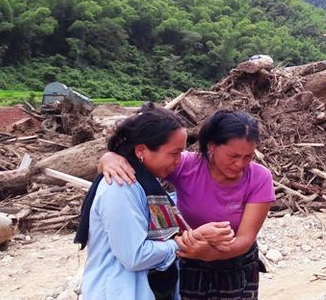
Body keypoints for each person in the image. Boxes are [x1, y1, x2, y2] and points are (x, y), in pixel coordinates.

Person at [100, 110, 275, 300]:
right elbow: (148, 161)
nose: (240, 164)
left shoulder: (259, 178)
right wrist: (109, 157)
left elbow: (245, 239)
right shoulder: (186, 165)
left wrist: (211, 254)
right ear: (212, 146)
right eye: (233, 156)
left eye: (247, 156)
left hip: (235, 260)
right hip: (189, 257)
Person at [76, 103, 235, 300]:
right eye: (174, 153)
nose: (179, 160)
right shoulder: (121, 186)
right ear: (141, 150)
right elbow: (135, 256)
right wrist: (183, 242)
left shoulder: (146, 182)